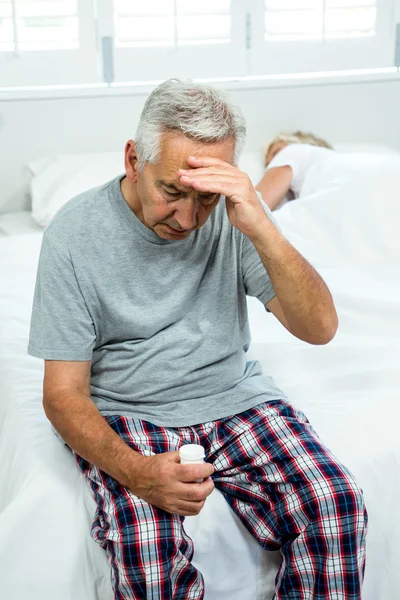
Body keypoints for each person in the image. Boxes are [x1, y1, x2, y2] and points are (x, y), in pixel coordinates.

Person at [28, 80, 367, 600]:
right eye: (172, 192)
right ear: (133, 159)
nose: (187, 219)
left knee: (334, 505)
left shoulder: (235, 218)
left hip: (237, 399)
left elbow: (319, 330)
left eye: (205, 198)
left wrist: (261, 225)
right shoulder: (74, 235)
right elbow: (63, 394)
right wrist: (137, 472)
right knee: (149, 555)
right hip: (130, 409)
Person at [256, 131, 334, 210]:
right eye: (267, 165)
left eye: (276, 154)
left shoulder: (293, 152)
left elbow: (252, 208)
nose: (271, 167)